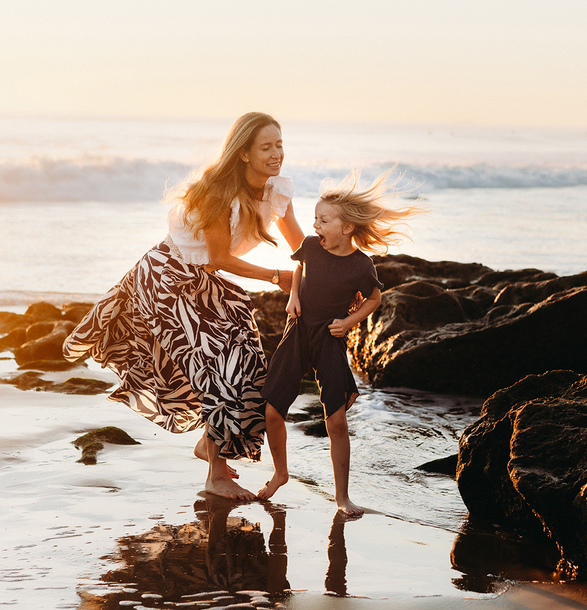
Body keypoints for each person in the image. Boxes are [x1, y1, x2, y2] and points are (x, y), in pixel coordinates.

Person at [64, 112, 304, 500]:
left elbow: (300, 247)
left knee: (249, 361)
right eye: (266, 147)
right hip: (166, 278)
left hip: (201, 282)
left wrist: (336, 273)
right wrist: (278, 278)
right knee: (218, 365)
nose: (277, 153)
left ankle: (208, 444)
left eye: (279, 144)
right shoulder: (216, 191)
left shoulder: (277, 190)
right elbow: (217, 259)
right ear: (243, 153)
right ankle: (215, 474)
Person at [256, 171, 423, 515]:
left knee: (336, 421)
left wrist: (348, 322)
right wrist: (292, 297)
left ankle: (342, 497)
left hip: (329, 339)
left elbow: (374, 299)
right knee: (272, 410)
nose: (316, 224)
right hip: (298, 331)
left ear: (347, 227)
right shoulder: (312, 247)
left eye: (323, 219)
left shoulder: (362, 266)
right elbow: (300, 265)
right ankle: (280, 473)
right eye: (315, 217)